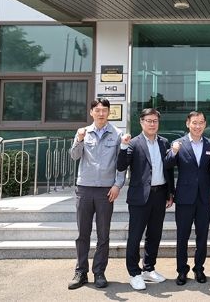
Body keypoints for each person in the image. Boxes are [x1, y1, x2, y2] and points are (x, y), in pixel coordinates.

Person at [68, 98, 126, 290]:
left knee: (103, 234)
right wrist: (79, 139)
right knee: (82, 234)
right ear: (91, 112)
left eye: (104, 110)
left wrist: (117, 185)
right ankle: (81, 272)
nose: (101, 113)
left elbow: (121, 163)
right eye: (97, 110)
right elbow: (74, 156)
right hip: (84, 188)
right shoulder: (83, 132)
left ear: (109, 112)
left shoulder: (117, 134)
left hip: (105, 191)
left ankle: (99, 272)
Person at [117, 108, 175, 290]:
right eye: (148, 121)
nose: (152, 124)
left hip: (160, 194)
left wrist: (170, 193)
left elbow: (168, 170)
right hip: (140, 197)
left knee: (154, 234)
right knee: (135, 236)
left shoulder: (164, 143)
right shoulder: (134, 143)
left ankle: (148, 269)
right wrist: (123, 146)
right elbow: (121, 166)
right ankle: (134, 273)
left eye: (155, 121)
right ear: (141, 122)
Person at [164, 111, 210, 285]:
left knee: (202, 235)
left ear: (205, 124)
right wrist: (173, 152)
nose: (198, 126)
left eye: (201, 122)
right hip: (184, 197)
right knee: (182, 236)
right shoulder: (178, 144)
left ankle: (199, 269)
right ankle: (182, 270)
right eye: (194, 122)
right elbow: (167, 166)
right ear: (188, 123)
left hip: (204, 197)